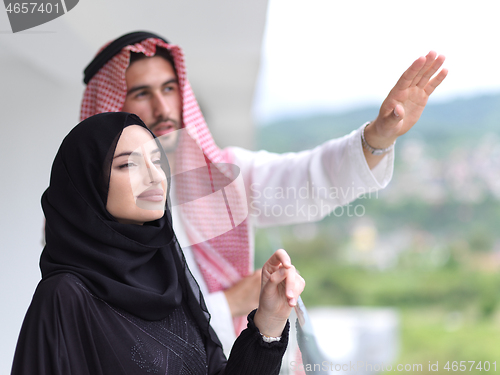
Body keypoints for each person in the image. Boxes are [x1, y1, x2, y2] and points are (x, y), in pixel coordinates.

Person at [80, 31, 448, 353]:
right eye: (142, 94)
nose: (162, 108)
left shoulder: (227, 177)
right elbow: (121, 337)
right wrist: (231, 303)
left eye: (169, 88)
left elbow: (309, 178)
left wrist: (378, 137)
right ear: (112, 107)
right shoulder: (88, 220)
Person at [11, 112, 305, 375]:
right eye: (128, 164)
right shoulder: (65, 296)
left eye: (156, 160)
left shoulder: (170, 280)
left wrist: (269, 321)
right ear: (86, 184)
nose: (154, 176)